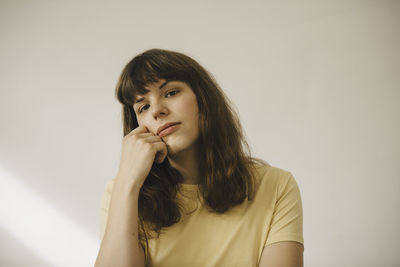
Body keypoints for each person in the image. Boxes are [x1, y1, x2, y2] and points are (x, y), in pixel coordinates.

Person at [94, 49, 304, 267]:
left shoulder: (276, 186)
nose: (157, 110)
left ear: (204, 100)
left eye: (171, 93)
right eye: (143, 106)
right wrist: (128, 183)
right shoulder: (121, 195)